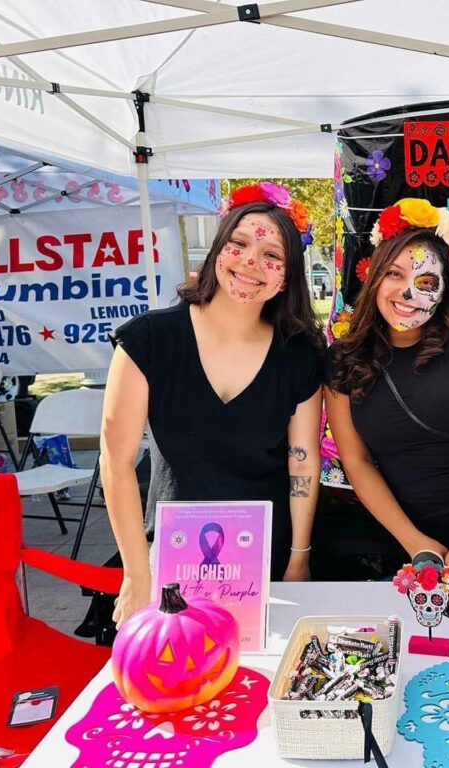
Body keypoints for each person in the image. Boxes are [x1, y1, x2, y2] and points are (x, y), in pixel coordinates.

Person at [102, 181, 325, 627]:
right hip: (169, 558)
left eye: (271, 255)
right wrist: (135, 571)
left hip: (263, 558)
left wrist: (299, 558)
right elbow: (116, 461)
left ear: (287, 276)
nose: (250, 261)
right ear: (217, 249)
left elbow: (302, 461)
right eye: (238, 244)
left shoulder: (299, 354)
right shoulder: (149, 340)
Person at [325, 198, 449, 583]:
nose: (407, 293)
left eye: (426, 282)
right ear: (375, 277)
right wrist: (416, 544)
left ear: (444, 290)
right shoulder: (342, 359)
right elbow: (356, 461)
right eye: (395, 274)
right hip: (407, 545)